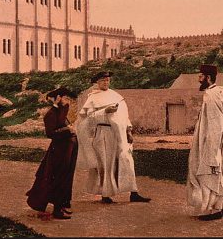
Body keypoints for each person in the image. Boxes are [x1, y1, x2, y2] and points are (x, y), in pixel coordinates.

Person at [76, 71, 151, 204]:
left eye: (108, 80)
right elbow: (88, 119)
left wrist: (128, 130)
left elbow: (124, 115)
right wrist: (104, 111)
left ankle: (133, 193)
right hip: (103, 132)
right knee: (106, 162)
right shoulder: (92, 98)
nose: (106, 82)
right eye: (103, 80)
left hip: (120, 133)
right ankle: (105, 195)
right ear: (97, 82)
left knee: (126, 160)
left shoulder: (116, 96)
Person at [186, 64, 223, 221]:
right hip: (216, 138)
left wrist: (212, 151)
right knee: (218, 173)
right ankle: (220, 206)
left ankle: (211, 211)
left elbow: (215, 124)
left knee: (209, 172)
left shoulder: (211, 95)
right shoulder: (217, 92)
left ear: (208, 78)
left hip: (212, 141)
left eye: (201, 76)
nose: (198, 78)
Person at [26, 87, 79, 220]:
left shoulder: (62, 111)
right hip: (59, 151)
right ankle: (57, 211)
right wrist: (68, 130)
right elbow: (50, 134)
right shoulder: (51, 114)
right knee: (59, 178)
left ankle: (61, 206)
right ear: (58, 98)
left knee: (66, 177)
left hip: (67, 149)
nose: (67, 101)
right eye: (65, 98)